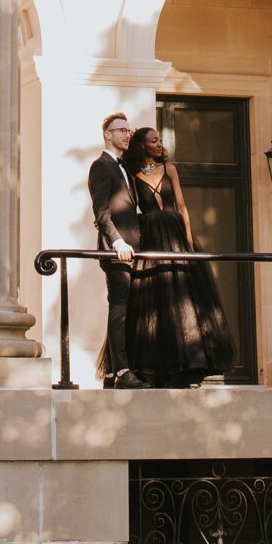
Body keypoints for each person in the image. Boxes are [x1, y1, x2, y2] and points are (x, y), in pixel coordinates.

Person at [122, 123, 235, 387]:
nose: (159, 143)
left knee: (184, 296)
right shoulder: (132, 173)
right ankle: (156, 368)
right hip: (150, 235)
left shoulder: (169, 169)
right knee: (155, 299)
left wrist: (188, 240)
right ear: (142, 145)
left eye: (160, 139)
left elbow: (182, 207)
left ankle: (190, 365)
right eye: (153, 140)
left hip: (174, 234)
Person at [87, 112, 147, 388]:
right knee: (119, 309)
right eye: (119, 130)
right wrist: (118, 242)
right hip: (118, 250)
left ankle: (112, 372)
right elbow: (101, 211)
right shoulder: (100, 166)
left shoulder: (123, 167)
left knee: (128, 309)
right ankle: (122, 371)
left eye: (128, 130)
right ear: (107, 135)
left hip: (134, 248)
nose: (126, 134)